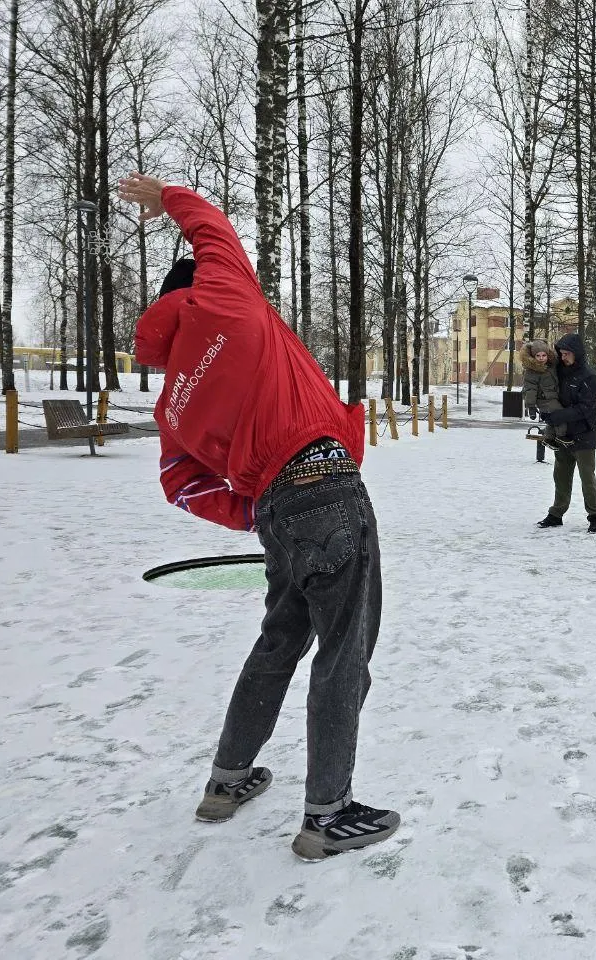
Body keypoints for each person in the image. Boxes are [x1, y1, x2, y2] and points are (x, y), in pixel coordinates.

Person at [118, 172, 399, 860]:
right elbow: (213, 233)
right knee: (344, 652)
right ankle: (328, 814)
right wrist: (172, 200)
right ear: (201, 282)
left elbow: (177, 483)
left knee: (279, 643)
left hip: (277, 506)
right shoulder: (226, 296)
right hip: (327, 486)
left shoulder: (173, 404)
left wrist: (254, 513)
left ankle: (228, 779)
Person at [535, 332, 596, 533]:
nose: (563, 357)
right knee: (561, 476)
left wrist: (559, 416)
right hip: (562, 434)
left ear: (577, 354)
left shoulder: (589, 377)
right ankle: (556, 514)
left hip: (584, 434)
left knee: (587, 478)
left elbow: (585, 408)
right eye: (561, 353)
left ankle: (594, 516)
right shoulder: (558, 372)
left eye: (566, 354)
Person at [518, 340, 568, 448]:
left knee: (552, 420)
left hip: (554, 397)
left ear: (547, 355)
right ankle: (561, 437)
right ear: (533, 356)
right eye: (538, 356)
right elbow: (530, 389)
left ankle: (549, 439)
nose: (541, 358)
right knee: (560, 415)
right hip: (544, 400)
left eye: (544, 355)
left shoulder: (551, 366)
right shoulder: (532, 371)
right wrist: (531, 407)